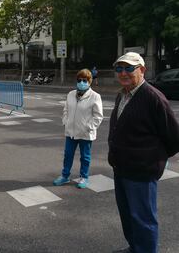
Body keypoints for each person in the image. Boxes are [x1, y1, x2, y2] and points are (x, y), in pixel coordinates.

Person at [108, 52, 179, 253]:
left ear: (142, 70)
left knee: (144, 219)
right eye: (119, 69)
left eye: (129, 68)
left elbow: (173, 137)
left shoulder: (153, 98)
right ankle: (135, 247)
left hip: (142, 171)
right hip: (121, 167)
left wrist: (153, 159)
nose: (123, 73)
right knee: (128, 215)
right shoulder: (122, 94)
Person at [53, 68, 103, 189]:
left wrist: (88, 127)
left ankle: (84, 177)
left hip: (85, 133)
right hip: (71, 131)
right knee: (68, 155)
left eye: (84, 80)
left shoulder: (95, 96)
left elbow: (98, 116)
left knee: (85, 157)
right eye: (79, 80)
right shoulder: (70, 94)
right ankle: (65, 176)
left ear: (90, 81)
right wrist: (65, 121)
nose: (81, 82)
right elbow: (66, 110)